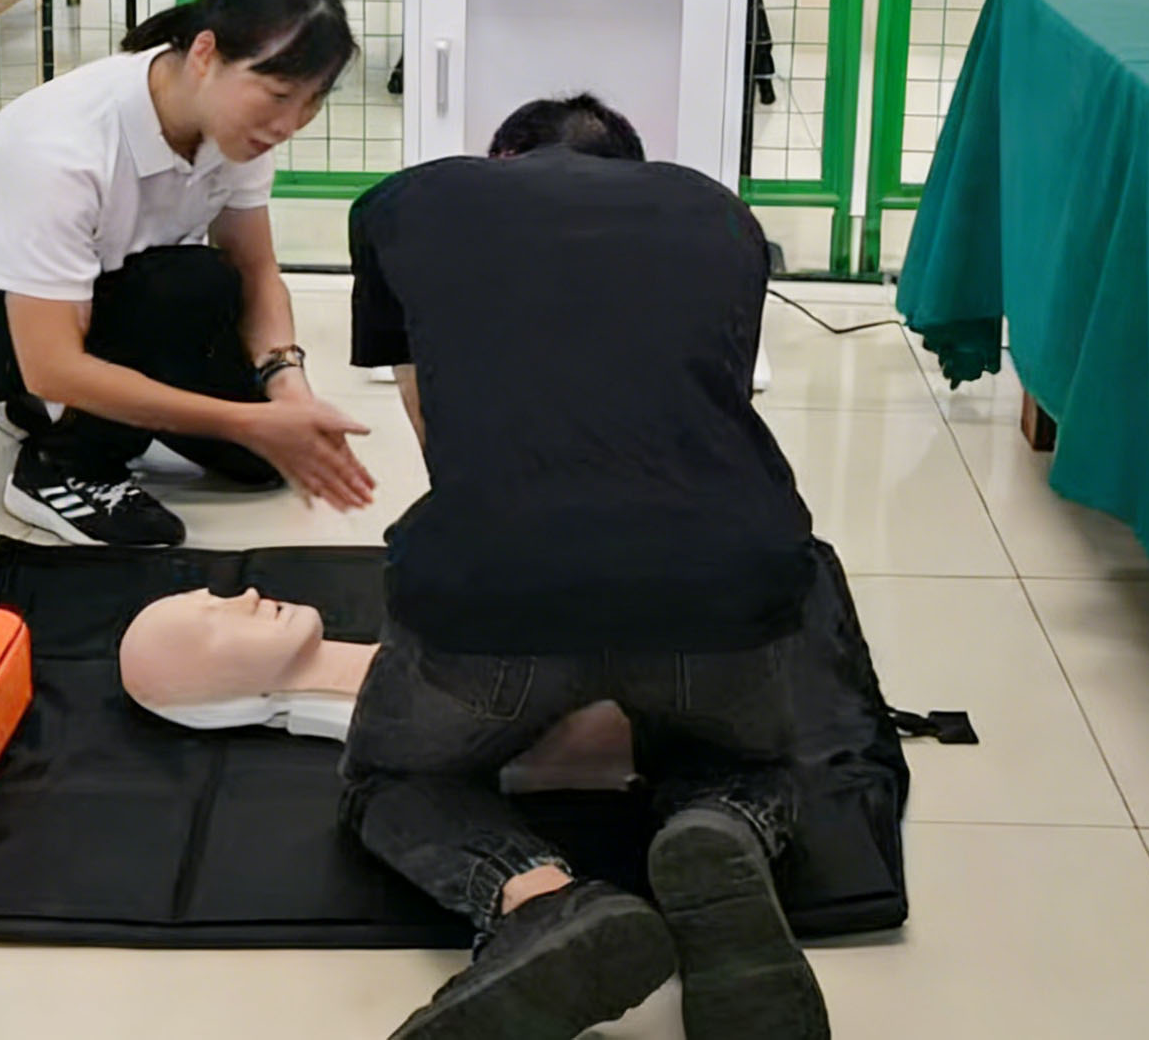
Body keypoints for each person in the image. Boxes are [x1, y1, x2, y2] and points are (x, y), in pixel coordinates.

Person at [340, 96, 828, 1040]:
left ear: (502, 156)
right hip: (722, 582)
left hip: (502, 588)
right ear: (633, 168)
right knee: (749, 762)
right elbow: (705, 402)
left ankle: (539, 901)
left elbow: (436, 427)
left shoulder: (407, 201)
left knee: (391, 782)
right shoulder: (718, 212)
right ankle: (722, 825)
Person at [0, 0, 376, 548]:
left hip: (112, 286)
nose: (289, 123)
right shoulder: (61, 147)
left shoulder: (236, 127)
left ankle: (34, 411)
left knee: (259, 463)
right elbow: (53, 366)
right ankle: (60, 467)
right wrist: (247, 420)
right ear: (205, 54)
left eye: (311, 101)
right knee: (192, 287)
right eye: (277, 95)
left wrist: (287, 389)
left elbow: (255, 269)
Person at [119, 585, 636, 791]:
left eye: (220, 597)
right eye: (212, 624)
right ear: (210, 692)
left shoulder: (419, 629)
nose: (248, 596)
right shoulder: (422, 729)